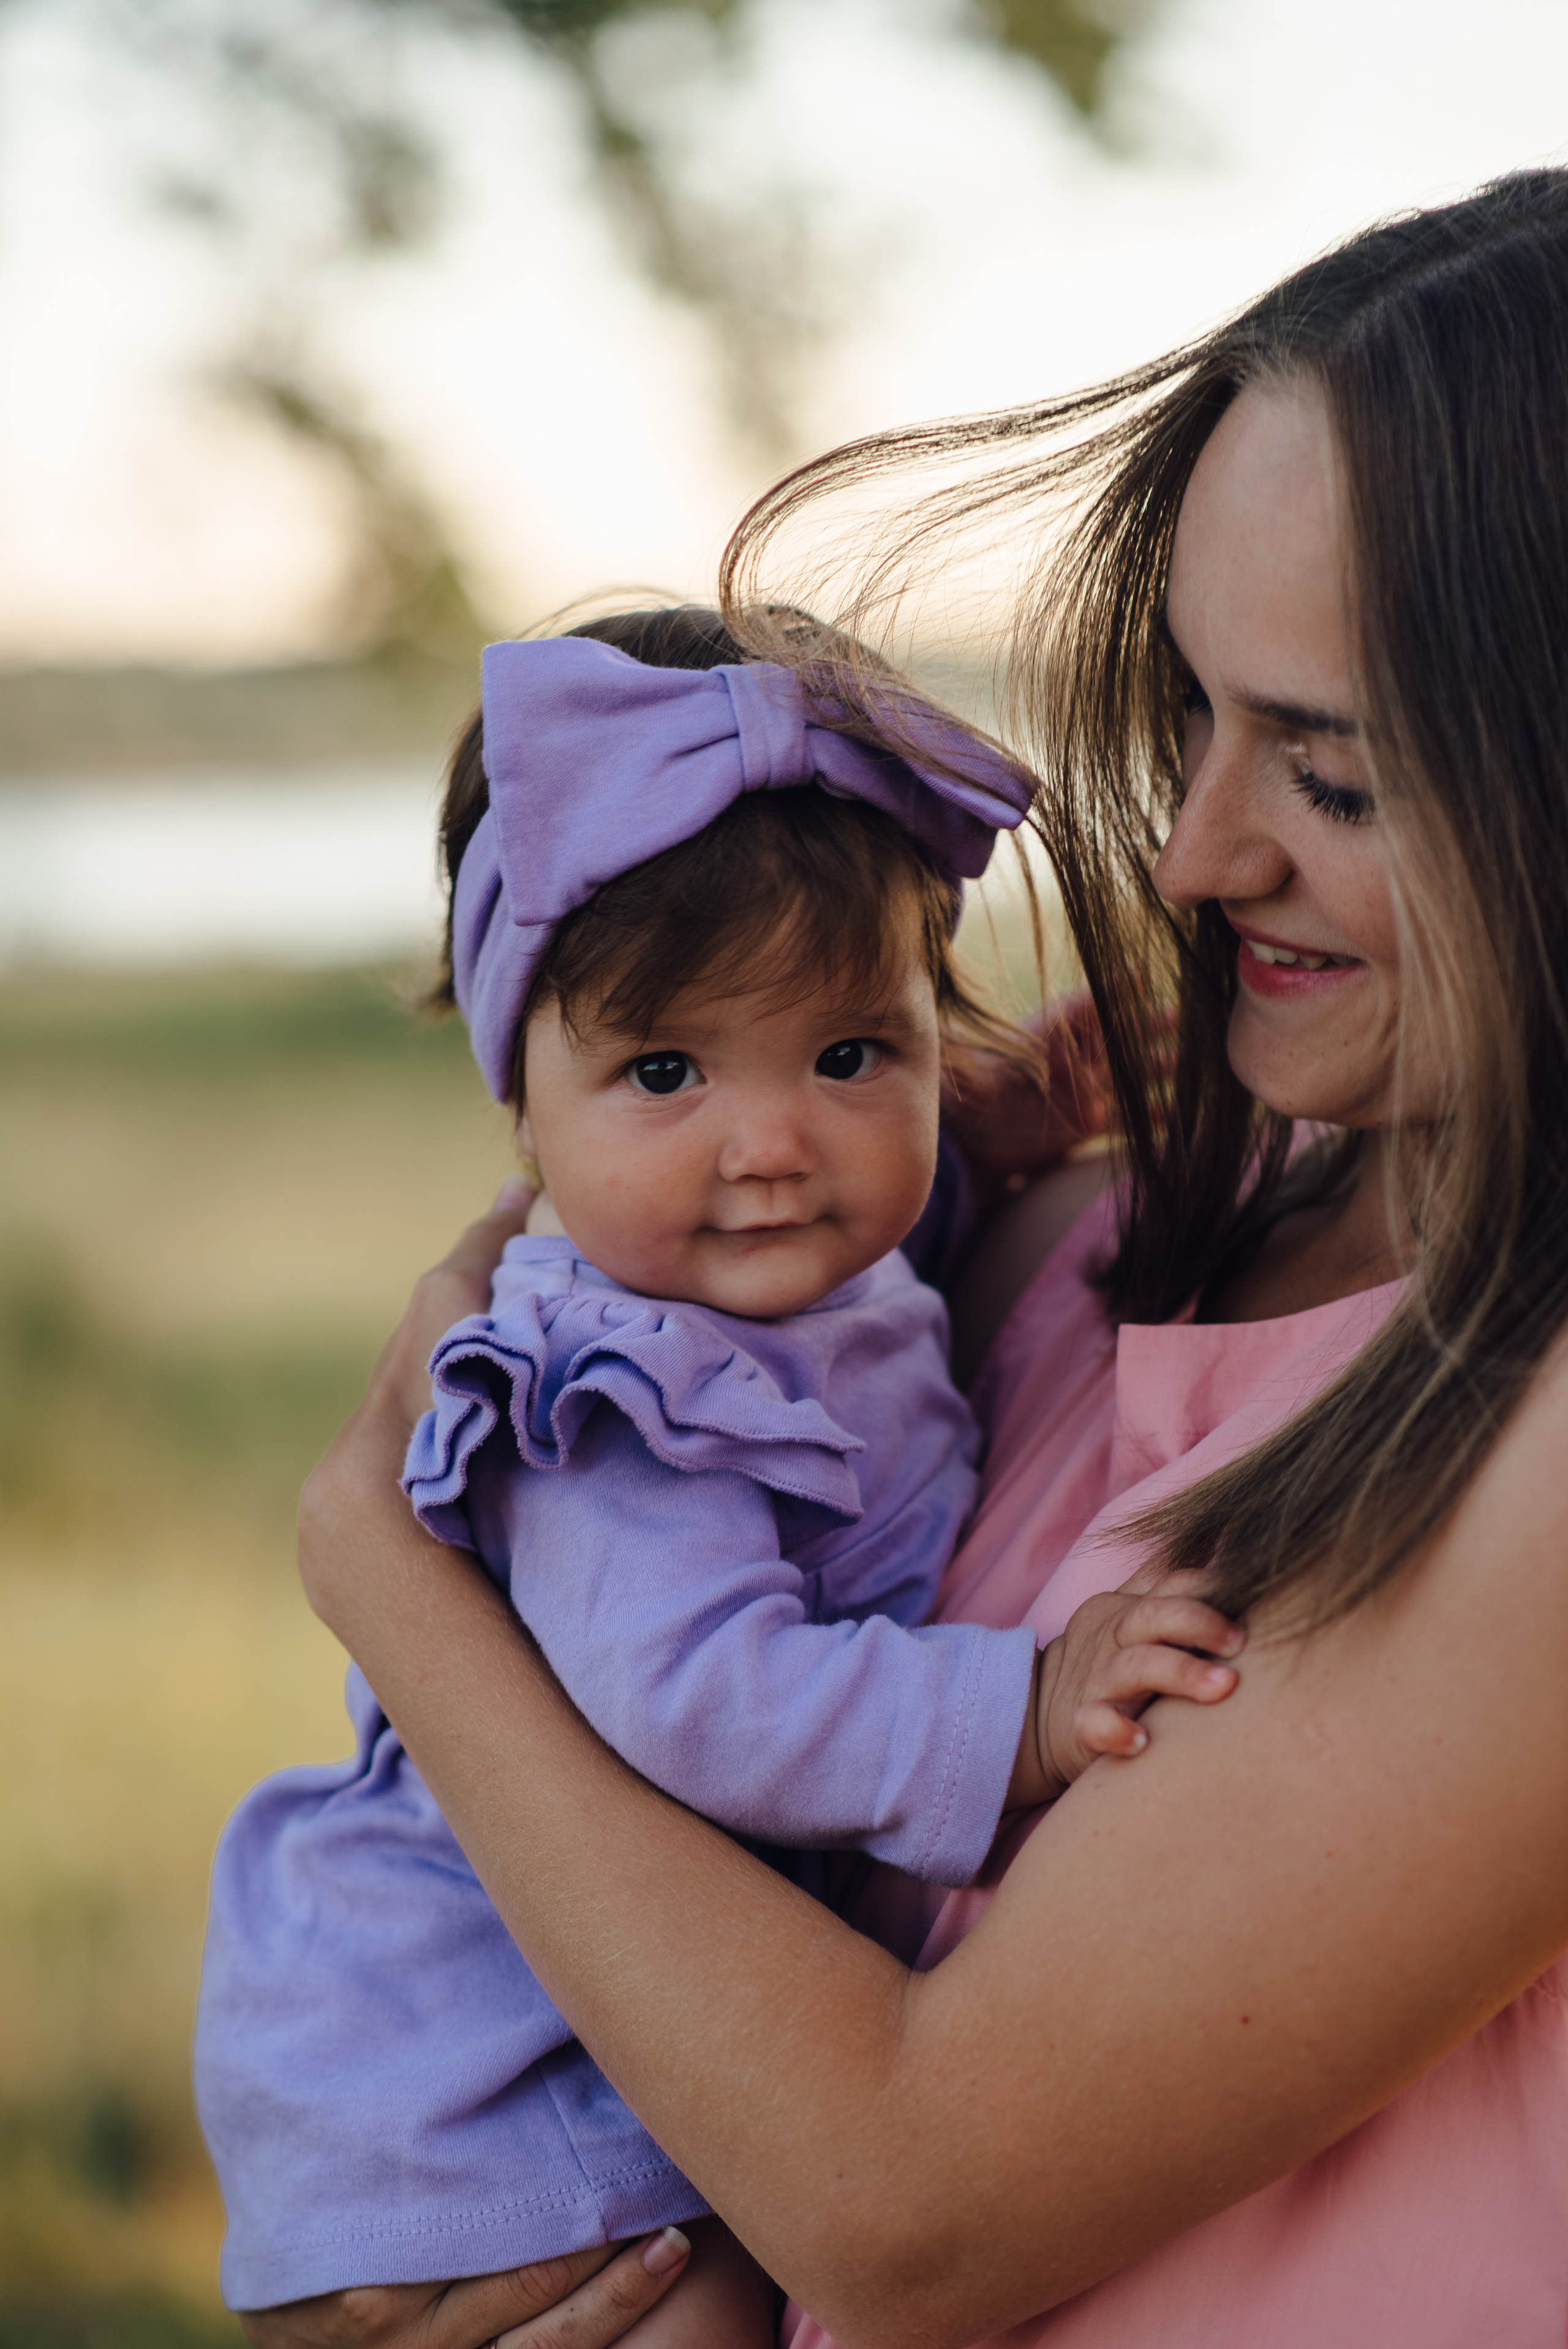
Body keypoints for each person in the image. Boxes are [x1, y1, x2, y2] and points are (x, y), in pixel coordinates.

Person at [250, 171, 1568, 2347]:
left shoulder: (1522, 1450)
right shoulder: (1080, 1230)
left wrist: (377, 1560)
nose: (1198, 847)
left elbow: (906, 2203)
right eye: (1195, 715)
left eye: (1325, 773)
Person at [196, 608, 1241, 2343]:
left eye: (851, 1054)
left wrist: (999, 1133)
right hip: (483, 2049)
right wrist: (1021, 1711)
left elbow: (875, 1264)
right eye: (666, 1071)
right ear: (522, 1100)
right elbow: (700, 1696)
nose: (772, 1145)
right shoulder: (612, 1396)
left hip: (621, 1995)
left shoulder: (781, 1265)